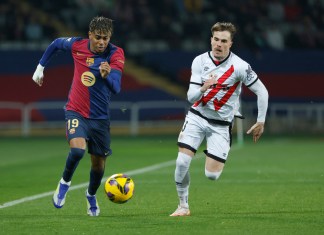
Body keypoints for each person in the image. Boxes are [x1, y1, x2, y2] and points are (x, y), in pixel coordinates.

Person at [170, 22, 269, 216]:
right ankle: (183, 206)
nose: (219, 44)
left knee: (212, 175)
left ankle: (216, 155)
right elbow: (190, 97)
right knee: (182, 162)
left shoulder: (240, 66)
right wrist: (203, 88)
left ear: (230, 43)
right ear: (211, 40)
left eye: (224, 41)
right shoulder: (199, 61)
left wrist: (261, 121)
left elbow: (262, 91)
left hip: (221, 125)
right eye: (216, 40)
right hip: (197, 116)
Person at [32, 16, 125, 216]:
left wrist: (107, 76)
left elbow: (116, 88)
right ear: (90, 35)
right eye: (98, 37)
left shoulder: (116, 54)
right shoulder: (78, 45)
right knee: (77, 151)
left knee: (98, 166)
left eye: (106, 38)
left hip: (99, 118)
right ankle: (64, 183)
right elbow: (56, 44)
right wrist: (40, 67)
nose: (102, 42)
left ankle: (91, 195)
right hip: (76, 110)